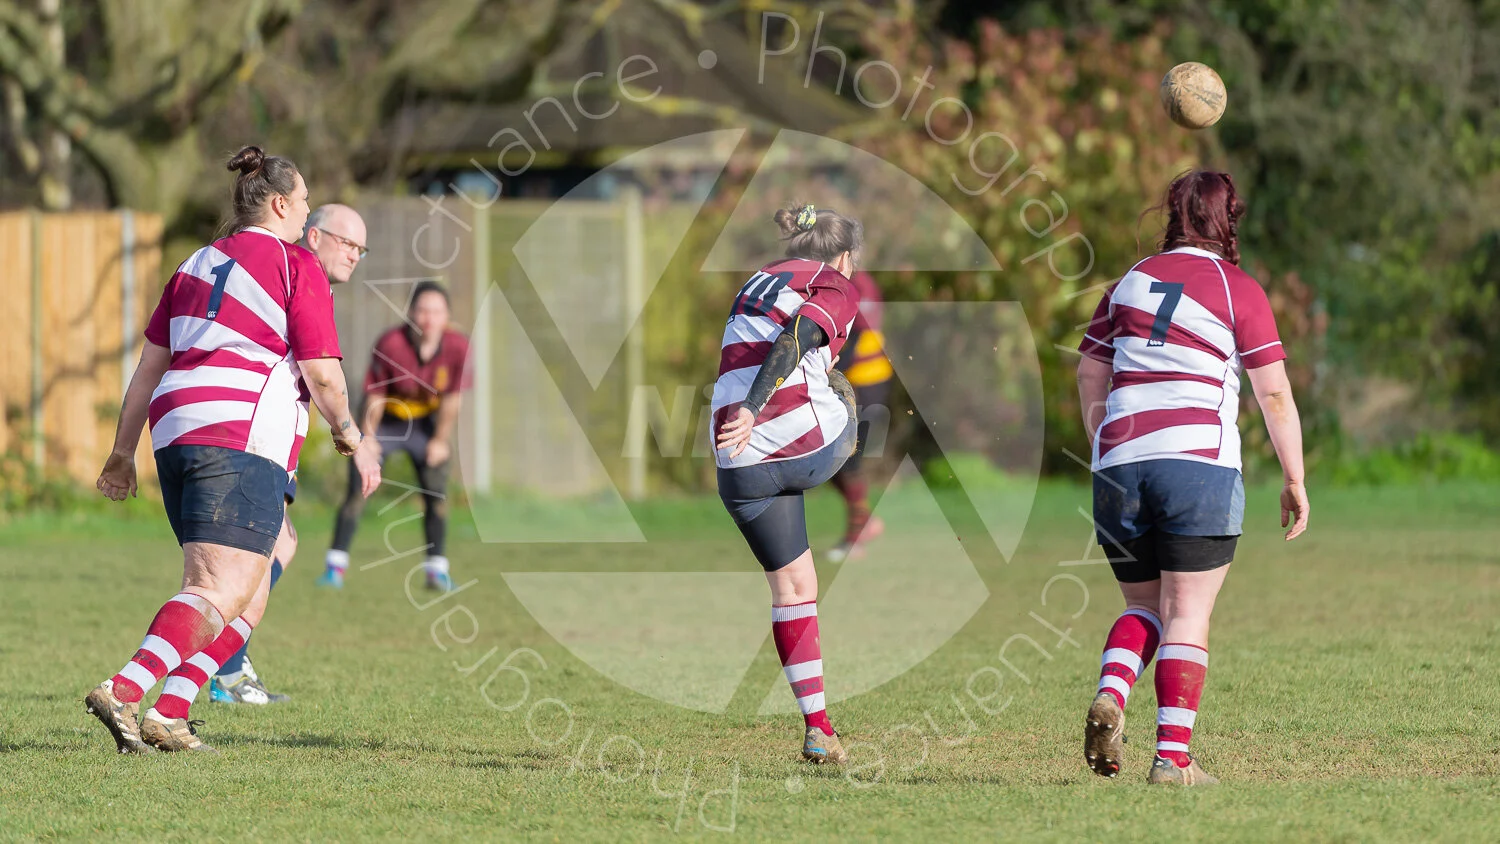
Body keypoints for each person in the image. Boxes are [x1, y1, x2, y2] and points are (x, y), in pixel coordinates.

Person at [86, 147, 381, 754]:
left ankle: (170, 713)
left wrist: (121, 451)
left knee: (260, 574)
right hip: (238, 430)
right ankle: (125, 688)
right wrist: (350, 432)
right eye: (302, 204)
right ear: (279, 204)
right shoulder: (294, 262)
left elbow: (147, 369)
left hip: (176, 429)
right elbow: (323, 372)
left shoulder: (194, 264)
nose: (305, 215)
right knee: (216, 588)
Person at [1075, 170, 1309, 785]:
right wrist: (1295, 477)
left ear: (1172, 216)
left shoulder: (1128, 282)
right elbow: (1275, 394)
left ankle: (1112, 693)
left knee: (1143, 606)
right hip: (1196, 468)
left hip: (1118, 467)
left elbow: (1089, 372)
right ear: (1228, 219)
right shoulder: (1238, 288)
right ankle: (1172, 760)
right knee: (1187, 612)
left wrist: (1106, 443)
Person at [713, 203, 863, 765]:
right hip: (801, 442)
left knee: (795, 587)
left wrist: (746, 417)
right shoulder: (836, 284)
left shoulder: (759, 278)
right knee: (848, 399)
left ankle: (819, 730)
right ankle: (818, 729)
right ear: (843, 256)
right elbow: (797, 336)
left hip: (737, 462)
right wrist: (756, 407)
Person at [208, 203, 370, 705]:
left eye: (362, 249)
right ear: (314, 235)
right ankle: (221, 669)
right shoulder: (299, 271)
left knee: (272, 549)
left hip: (245, 434)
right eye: (348, 243)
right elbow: (323, 375)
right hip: (252, 436)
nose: (356, 255)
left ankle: (225, 666)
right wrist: (353, 439)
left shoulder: (263, 269)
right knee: (250, 560)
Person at [320, 280, 471, 591]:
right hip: (387, 420)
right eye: (423, 310)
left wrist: (440, 441)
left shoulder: (458, 347)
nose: (429, 318)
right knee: (358, 489)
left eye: (437, 311)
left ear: (447, 316)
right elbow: (374, 397)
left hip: (427, 424)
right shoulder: (391, 343)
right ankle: (335, 568)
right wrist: (369, 440)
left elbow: (453, 400)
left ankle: (436, 571)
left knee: (436, 494)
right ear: (411, 313)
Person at [825, 270, 892, 562]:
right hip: (855, 383)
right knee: (830, 460)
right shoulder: (841, 281)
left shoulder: (857, 284)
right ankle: (865, 522)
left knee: (846, 458)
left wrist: (824, 367)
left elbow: (857, 333)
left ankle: (856, 537)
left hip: (867, 383)